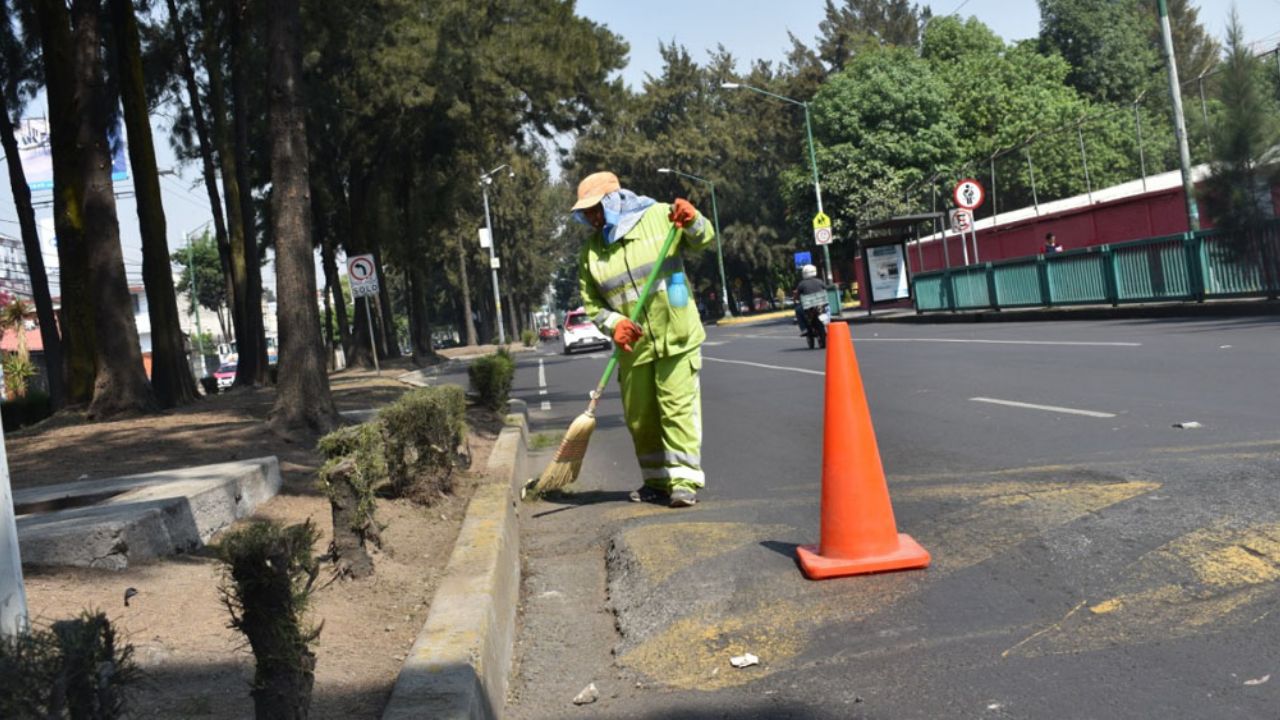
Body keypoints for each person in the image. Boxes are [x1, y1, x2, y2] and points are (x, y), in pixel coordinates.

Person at [572, 171, 716, 508]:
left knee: (676, 409)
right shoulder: (591, 254)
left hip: (676, 335)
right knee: (641, 418)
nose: (592, 217)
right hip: (633, 348)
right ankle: (655, 480)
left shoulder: (659, 217)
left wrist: (693, 219)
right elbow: (592, 305)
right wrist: (615, 324)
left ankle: (683, 482)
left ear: (613, 201)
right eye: (586, 212)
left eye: (596, 209)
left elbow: (703, 239)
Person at [794, 263, 825, 333]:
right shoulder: (820, 281)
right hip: (821, 304)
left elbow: (797, 295)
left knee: (797, 310)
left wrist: (796, 299)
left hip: (809, 306)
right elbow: (825, 289)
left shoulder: (802, 283)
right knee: (827, 309)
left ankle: (803, 329)